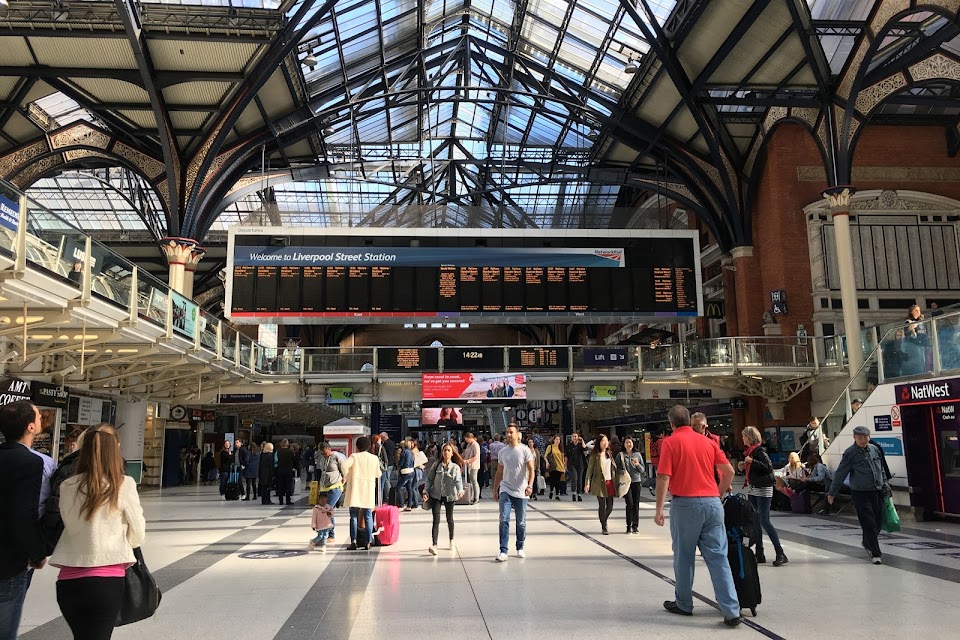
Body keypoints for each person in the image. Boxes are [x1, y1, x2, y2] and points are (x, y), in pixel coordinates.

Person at [49, 424, 146, 640]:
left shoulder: (67, 485)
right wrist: (121, 539)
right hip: (107, 580)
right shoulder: (123, 484)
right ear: (115, 452)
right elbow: (138, 533)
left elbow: (68, 523)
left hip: (68, 580)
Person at [654, 405, 741, 627]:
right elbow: (729, 471)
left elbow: (663, 477)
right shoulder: (709, 443)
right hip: (713, 504)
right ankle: (731, 610)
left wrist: (659, 509)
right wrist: (718, 493)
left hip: (686, 505)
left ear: (672, 423)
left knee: (684, 557)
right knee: (718, 558)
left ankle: (684, 603)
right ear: (689, 422)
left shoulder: (670, 442)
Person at [0, 401, 50, 640]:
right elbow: (23, 514)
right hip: (8, 561)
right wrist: (38, 553)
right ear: (31, 427)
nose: (42, 419)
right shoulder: (30, 462)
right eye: (39, 416)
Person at [828, 426, 890, 564]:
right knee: (869, 523)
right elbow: (841, 473)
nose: (863, 440)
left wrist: (885, 483)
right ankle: (876, 553)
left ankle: (867, 541)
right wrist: (832, 492)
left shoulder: (874, 449)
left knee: (878, 520)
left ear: (870, 437)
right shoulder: (850, 453)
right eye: (860, 437)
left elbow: (881, 469)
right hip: (860, 492)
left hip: (876, 490)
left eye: (865, 437)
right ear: (854, 437)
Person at [739, 427, 788, 567]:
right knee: (754, 521)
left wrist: (751, 462)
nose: (742, 439)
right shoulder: (749, 452)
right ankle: (759, 552)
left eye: (744, 436)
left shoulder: (759, 451)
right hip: (753, 488)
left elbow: (768, 466)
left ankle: (780, 552)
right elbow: (753, 472)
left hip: (763, 489)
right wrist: (743, 467)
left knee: (764, 520)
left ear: (749, 437)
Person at [493, 424, 535, 562]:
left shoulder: (525, 450)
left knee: (521, 522)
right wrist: (495, 489)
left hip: (521, 490)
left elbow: (531, 469)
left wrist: (530, 485)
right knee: (504, 519)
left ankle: (520, 546)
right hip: (505, 489)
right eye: (507, 432)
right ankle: (503, 550)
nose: (509, 435)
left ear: (518, 434)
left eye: (511, 432)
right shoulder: (502, 452)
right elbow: (499, 472)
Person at [42, 429, 90, 548]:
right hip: (111, 554)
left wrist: (48, 543)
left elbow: (55, 506)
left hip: (71, 543)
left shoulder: (69, 470)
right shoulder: (121, 477)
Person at [423, 443, 465, 555]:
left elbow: (458, 481)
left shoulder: (455, 467)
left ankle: (451, 540)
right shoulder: (436, 465)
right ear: (442, 452)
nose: (446, 452)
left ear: (452, 453)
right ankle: (434, 544)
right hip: (436, 495)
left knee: (449, 518)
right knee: (436, 520)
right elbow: (429, 479)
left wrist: (460, 490)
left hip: (450, 495)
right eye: (444, 450)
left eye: (448, 450)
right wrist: (425, 491)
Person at [342, 436, 382, 551]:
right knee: (368, 516)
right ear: (369, 446)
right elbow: (378, 474)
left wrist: (348, 475)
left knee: (353, 516)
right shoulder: (374, 458)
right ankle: (368, 541)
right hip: (368, 490)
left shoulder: (354, 456)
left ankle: (354, 541)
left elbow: (344, 466)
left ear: (357, 446)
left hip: (355, 489)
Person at [585, 434, 615, 535]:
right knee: (602, 505)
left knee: (610, 506)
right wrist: (587, 483)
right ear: (599, 442)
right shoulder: (595, 455)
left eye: (606, 441)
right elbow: (589, 469)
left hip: (609, 481)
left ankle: (604, 519)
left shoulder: (609, 453)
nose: (605, 443)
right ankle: (604, 526)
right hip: (599, 482)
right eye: (603, 441)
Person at [619, 437, 645, 534]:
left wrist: (638, 465)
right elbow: (616, 468)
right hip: (626, 483)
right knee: (629, 503)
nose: (628, 444)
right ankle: (628, 525)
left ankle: (635, 526)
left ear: (633, 444)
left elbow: (642, 471)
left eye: (630, 442)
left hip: (636, 482)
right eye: (626, 442)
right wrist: (622, 471)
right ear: (624, 444)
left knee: (636, 504)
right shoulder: (621, 455)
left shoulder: (637, 455)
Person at [397, 440, 417, 512]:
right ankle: (409, 505)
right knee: (409, 488)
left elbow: (401, 462)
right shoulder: (411, 452)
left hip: (405, 471)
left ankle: (401, 505)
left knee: (398, 488)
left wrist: (398, 466)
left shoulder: (404, 452)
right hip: (411, 471)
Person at [544, 435, 566, 501]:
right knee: (553, 480)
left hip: (560, 466)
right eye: (556, 439)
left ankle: (557, 494)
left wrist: (564, 467)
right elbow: (545, 456)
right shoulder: (550, 447)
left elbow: (563, 459)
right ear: (554, 440)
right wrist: (547, 463)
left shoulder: (560, 448)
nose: (557, 441)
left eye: (559, 440)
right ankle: (551, 491)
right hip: (553, 466)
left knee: (558, 481)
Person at [275, 439, 296, 505]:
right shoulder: (290, 451)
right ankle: (288, 500)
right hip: (288, 470)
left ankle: (280, 500)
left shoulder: (278, 451)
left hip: (280, 470)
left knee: (280, 486)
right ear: (287, 444)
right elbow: (294, 460)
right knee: (288, 486)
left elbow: (276, 460)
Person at [567, 432, 586, 501]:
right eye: (573, 436)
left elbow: (584, 448)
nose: (574, 438)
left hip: (580, 464)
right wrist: (565, 465)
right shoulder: (569, 446)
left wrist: (582, 440)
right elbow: (566, 456)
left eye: (575, 436)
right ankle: (574, 493)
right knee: (574, 478)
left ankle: (579, 494)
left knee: (580, 480)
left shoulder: (580, 445)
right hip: (572, 464)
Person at [462, 432, 481, 503]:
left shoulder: (475, 445)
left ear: (470, 438)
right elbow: (465, 453)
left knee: (474, 481)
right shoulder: (468, 445)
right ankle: (471, 496)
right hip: (469, 465)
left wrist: (468, 461)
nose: (466, 441)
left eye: (467, 439)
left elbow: (476, 456)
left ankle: (476, 497)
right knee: (471, 481)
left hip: (474, 465)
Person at [379, 431, 397, 504]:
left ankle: (387, 497)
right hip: (390, 463)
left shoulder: (386, 444)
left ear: (383, 437)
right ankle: (388, 496)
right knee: (387, 480)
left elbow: (386, 455)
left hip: (387, 464)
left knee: (386, 480)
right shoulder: (391, 443)